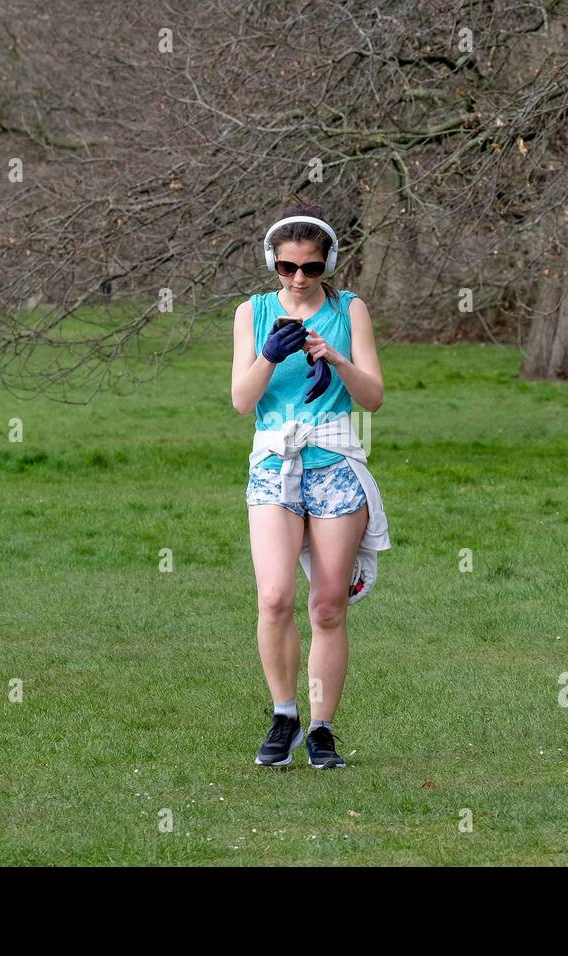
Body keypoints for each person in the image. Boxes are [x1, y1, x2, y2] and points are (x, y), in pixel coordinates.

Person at [230, 200, 390, 769]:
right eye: (287, 267)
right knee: (274, 597)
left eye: (311, 268)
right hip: (274, 464)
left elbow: (372, 397)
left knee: (327, 606)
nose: (298, 279)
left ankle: (322, 729)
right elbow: (241, 401)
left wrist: (337, 358)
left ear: (328, 264)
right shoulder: (252, 313)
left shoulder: (350, 309)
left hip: (334, 463)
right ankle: (284, 716)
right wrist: (269, 358)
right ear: (272, 263)